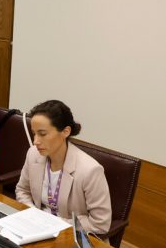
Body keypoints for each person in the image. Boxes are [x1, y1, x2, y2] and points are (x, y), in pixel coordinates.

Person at [15, 100, 112, 234]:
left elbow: (100, 223)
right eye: (34, 133)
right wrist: (32, 214)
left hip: (71, 235)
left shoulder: (90, 170)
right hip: (36, 229)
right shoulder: (33, 154)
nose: (35, 141)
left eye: (42, 134)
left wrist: (55, 224)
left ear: (65, 131)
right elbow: (22, 191)